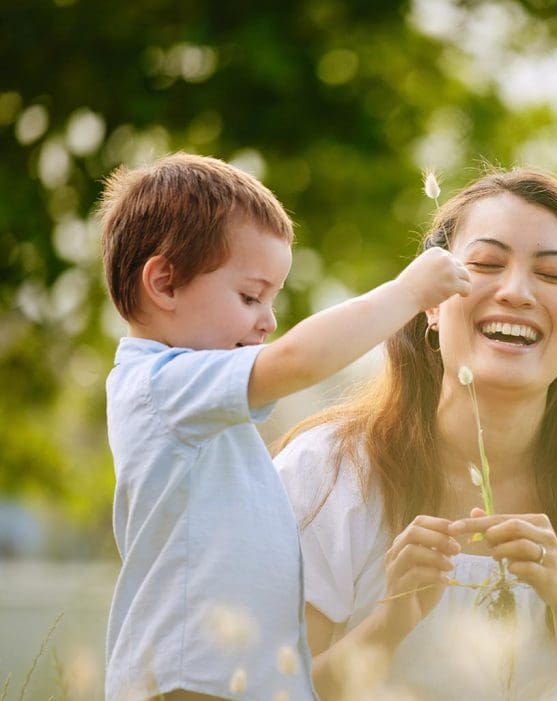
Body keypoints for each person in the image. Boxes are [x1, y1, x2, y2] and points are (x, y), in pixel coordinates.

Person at [274, 167, 557, 700]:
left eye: (551, 274)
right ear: (430, 300)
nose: (516, 292)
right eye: (486, 264)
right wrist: (392, 619)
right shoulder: (328, 477)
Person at [98, 153, 470, 701]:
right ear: (165, 283)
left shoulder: (200, 411)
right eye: (250, 296)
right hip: (188, 680)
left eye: (271, 300)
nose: (268, 320)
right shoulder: (158, 387)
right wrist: (409, 293)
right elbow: (297, 360)